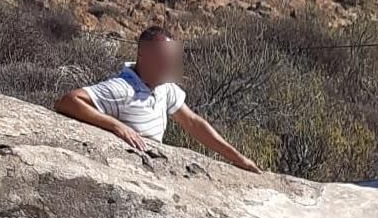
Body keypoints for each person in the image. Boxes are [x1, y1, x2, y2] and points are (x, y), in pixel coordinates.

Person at [55, 26, 261, 172]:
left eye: (171, 60)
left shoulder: (165, 88)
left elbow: (193, 123)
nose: (169, 66)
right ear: (142, 56)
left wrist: (237, 158)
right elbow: (69, 101)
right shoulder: (123, 89)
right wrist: (115, 126)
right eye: (163, 60)